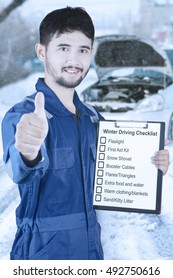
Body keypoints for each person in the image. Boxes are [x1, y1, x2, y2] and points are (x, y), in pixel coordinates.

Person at [1, 7, 170, 260]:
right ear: (41, 52)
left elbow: (115, 172)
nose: (74, 59)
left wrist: (151, 165)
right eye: (63, 48)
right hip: (42, 256)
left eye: (83, 50)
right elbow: (20, 168)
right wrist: (27, 151)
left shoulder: (93, 118)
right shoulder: (24, 115)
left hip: (92, 252)